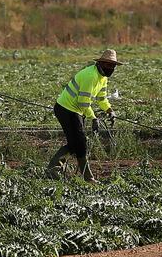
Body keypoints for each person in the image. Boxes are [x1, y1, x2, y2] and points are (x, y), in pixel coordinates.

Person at [48, 49, 120, 182]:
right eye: (108, 64)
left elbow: (101, 98)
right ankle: (86, 177)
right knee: (80, 142)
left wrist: (110, 110)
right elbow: (83, 102)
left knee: (77, 143)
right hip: (66, 109)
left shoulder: (102, 77)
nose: (111, 68)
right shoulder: (91, 76)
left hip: (76, 110)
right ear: (101, 63)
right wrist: (93, 118)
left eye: (113, 66)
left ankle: (54, 168)